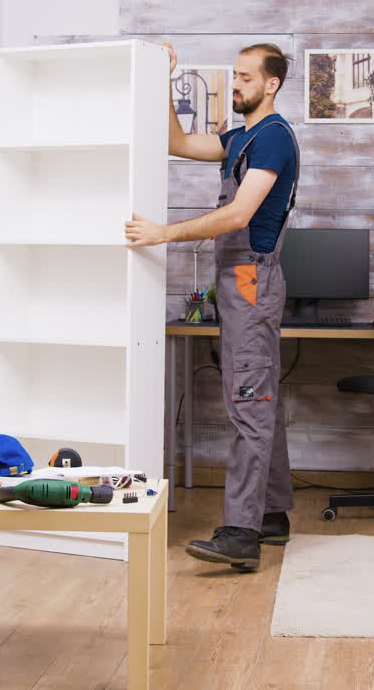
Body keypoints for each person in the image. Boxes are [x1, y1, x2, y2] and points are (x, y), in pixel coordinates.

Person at [125, 42, 299, 571]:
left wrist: (162, 235)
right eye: (236, 75)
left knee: (248, 397)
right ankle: (271, 514)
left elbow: (238, 215)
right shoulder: (240, 136)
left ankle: (241, 533)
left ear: (271, 84)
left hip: (250, 278)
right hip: (236, 281)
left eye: (246, 77)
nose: (237, 83)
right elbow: (175, 142)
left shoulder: (273, 139)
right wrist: (162, 78)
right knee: (259, 391)